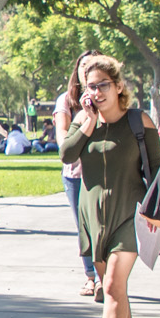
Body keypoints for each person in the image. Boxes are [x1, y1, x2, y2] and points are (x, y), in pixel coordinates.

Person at [63, 54, 160, 318]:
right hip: (93, 218)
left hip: (129, 216)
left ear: (118, 86)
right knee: (115, 289)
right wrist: (89, 123)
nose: (96, 92)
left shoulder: (139, 121)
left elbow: (158, 170)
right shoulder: (83, 120)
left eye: (102, 85)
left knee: (112, 285)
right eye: (90, 87)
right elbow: (66, 154)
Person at [52, 61, 101, 295]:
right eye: (85, 65)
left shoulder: (107, 97)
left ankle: (104, 278)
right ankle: (91, 276)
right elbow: (63, 139)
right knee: (84, 228)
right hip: (75, 174)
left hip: (103, 170)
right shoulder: (67, 100)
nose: (89, 69)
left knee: (104, 225)